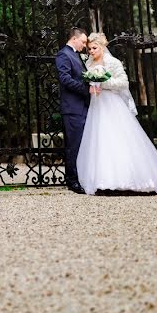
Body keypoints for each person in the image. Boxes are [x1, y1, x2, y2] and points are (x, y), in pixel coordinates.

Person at [76, 32, 157, 195]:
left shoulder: (113, 62)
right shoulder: (88, 63)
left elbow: (123, 83)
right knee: (100, 138)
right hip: (97, 104)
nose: (91, 52)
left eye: (94, 48)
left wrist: (104, 82)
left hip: (112, 103)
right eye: (89, 49)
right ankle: (104, 180)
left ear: (102, 47)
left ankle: (130, 179)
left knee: (118, 137)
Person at [54, 27, 90, 194]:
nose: (85, 45)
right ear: (74, 39)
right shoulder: (64, 54)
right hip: (72, 108)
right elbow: (65, 78)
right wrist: (85, 89)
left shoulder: (77, 55)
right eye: (83, 41)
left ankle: (82, 177)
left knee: (83, 145)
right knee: (73, 146)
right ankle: (72, 181)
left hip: (83, 107)